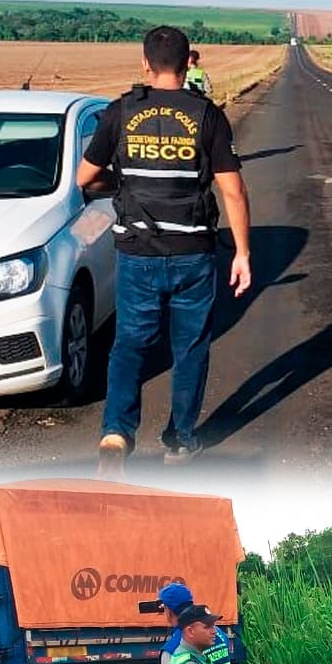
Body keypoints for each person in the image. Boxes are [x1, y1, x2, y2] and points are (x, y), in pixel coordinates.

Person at [77, 26, 253, 476]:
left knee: (130, 343)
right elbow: (232, 191)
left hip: (137, 251)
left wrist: (124, 184)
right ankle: (179, 439)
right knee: (190, 347)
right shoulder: (207, 115)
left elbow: (84, 178)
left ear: (146, 64)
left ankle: (116, 432)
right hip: (193, 250)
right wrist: (243, 253)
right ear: (188, 62)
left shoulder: (120, 112)